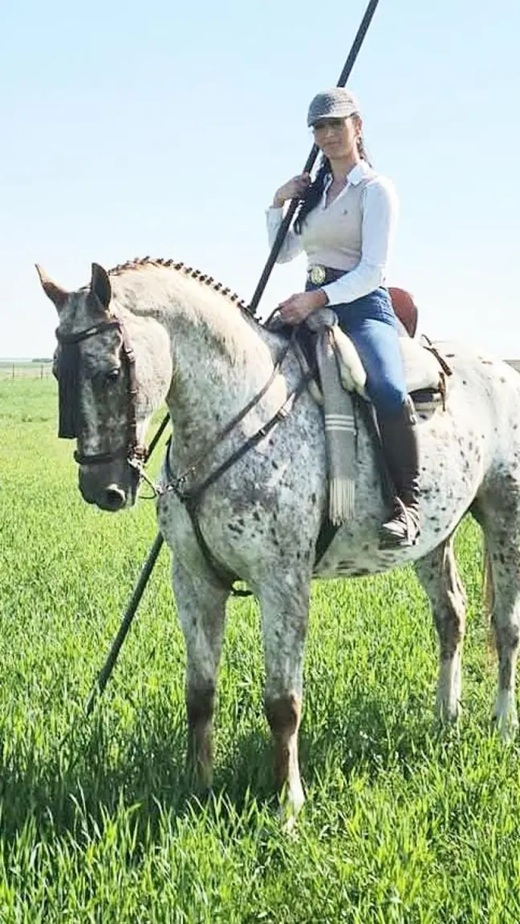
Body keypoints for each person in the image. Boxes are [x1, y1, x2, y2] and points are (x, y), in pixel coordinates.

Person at [266, 87, 420, 549]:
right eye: (320, 128)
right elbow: (283, 254)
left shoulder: (376, 190)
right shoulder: (313, 195)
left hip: (362, 306)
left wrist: (317, 301)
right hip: (311, 302)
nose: (329, 135)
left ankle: (407, 506)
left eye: (336, 124)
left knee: (388, 389)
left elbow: (372, 270)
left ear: (358, 126)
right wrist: (279, 202)